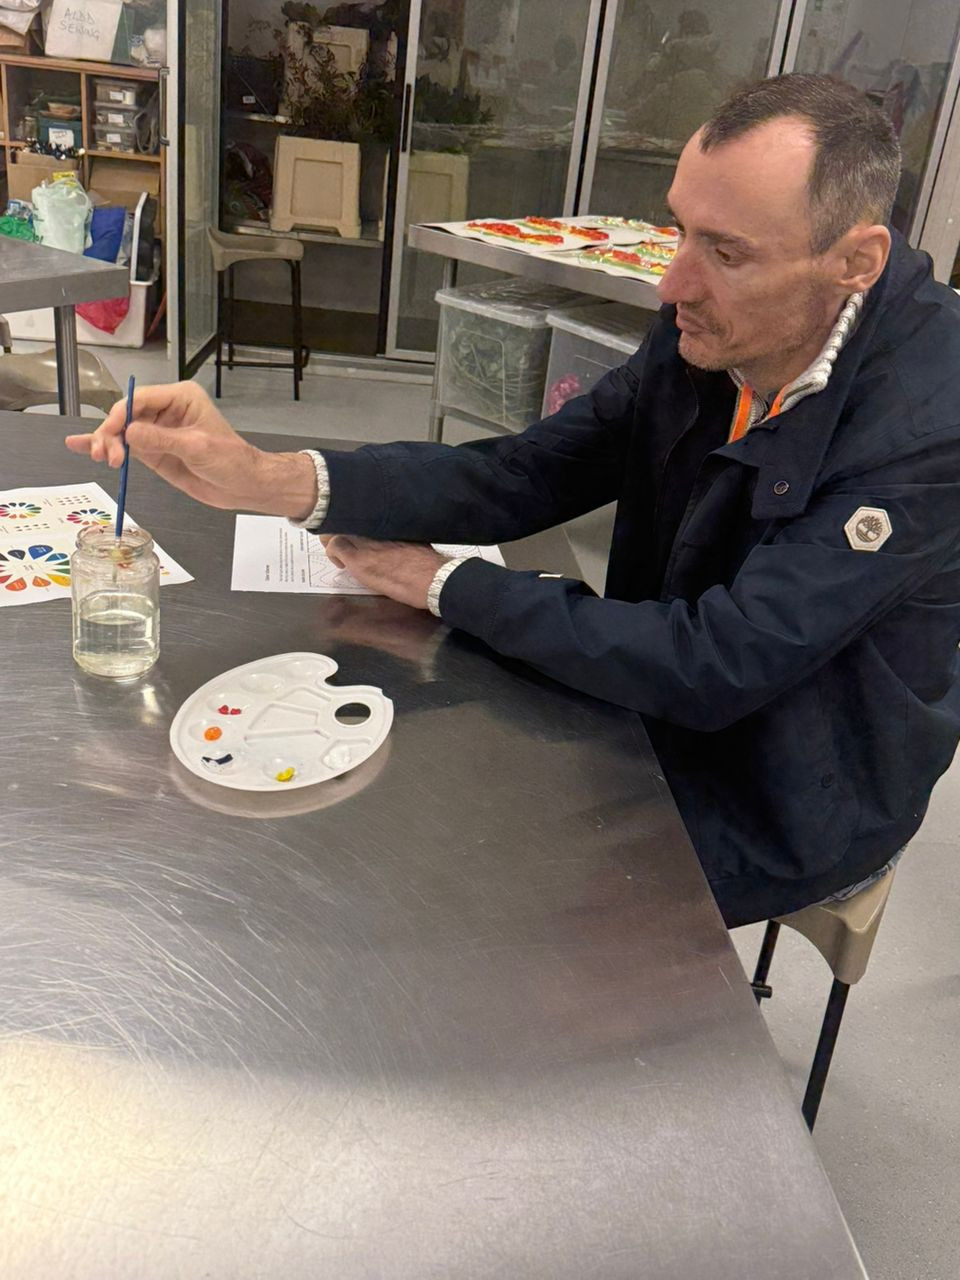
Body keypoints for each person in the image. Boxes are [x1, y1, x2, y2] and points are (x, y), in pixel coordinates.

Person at [67, 73, 960, 929]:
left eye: (726, 253)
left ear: (856, 261)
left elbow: (719, 661)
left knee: (490, 903)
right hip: (653, 707)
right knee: (415, 813)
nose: (672, 284)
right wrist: (275, 478)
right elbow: (527, 473)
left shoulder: (928, 424)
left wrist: (445, 584)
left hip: (790, 794)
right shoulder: (713, 324)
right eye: (679, 231)